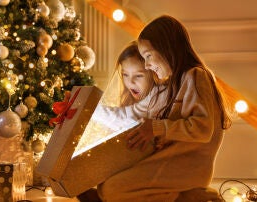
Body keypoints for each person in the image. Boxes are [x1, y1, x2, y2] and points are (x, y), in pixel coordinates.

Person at [96, 15, 233, 202]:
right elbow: (128, 115)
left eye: (148, 56)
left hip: (186, 166)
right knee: (105, 184)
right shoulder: (165, 88)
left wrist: (156, 128)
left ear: (167, 49)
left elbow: (203, 128)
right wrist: (86, 109)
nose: (147, 65)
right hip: (165, 160)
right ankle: (190, 196)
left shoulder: (196, 76)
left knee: (113, 189)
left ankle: (190, 196)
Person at [77, 41, 157, 202]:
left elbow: (127, 118)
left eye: (138, 76)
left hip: (152, 164)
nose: (130, 82)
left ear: (153, 73)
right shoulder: (132, 99)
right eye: (125, 75)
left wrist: (87, 107)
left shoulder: (155, 98)